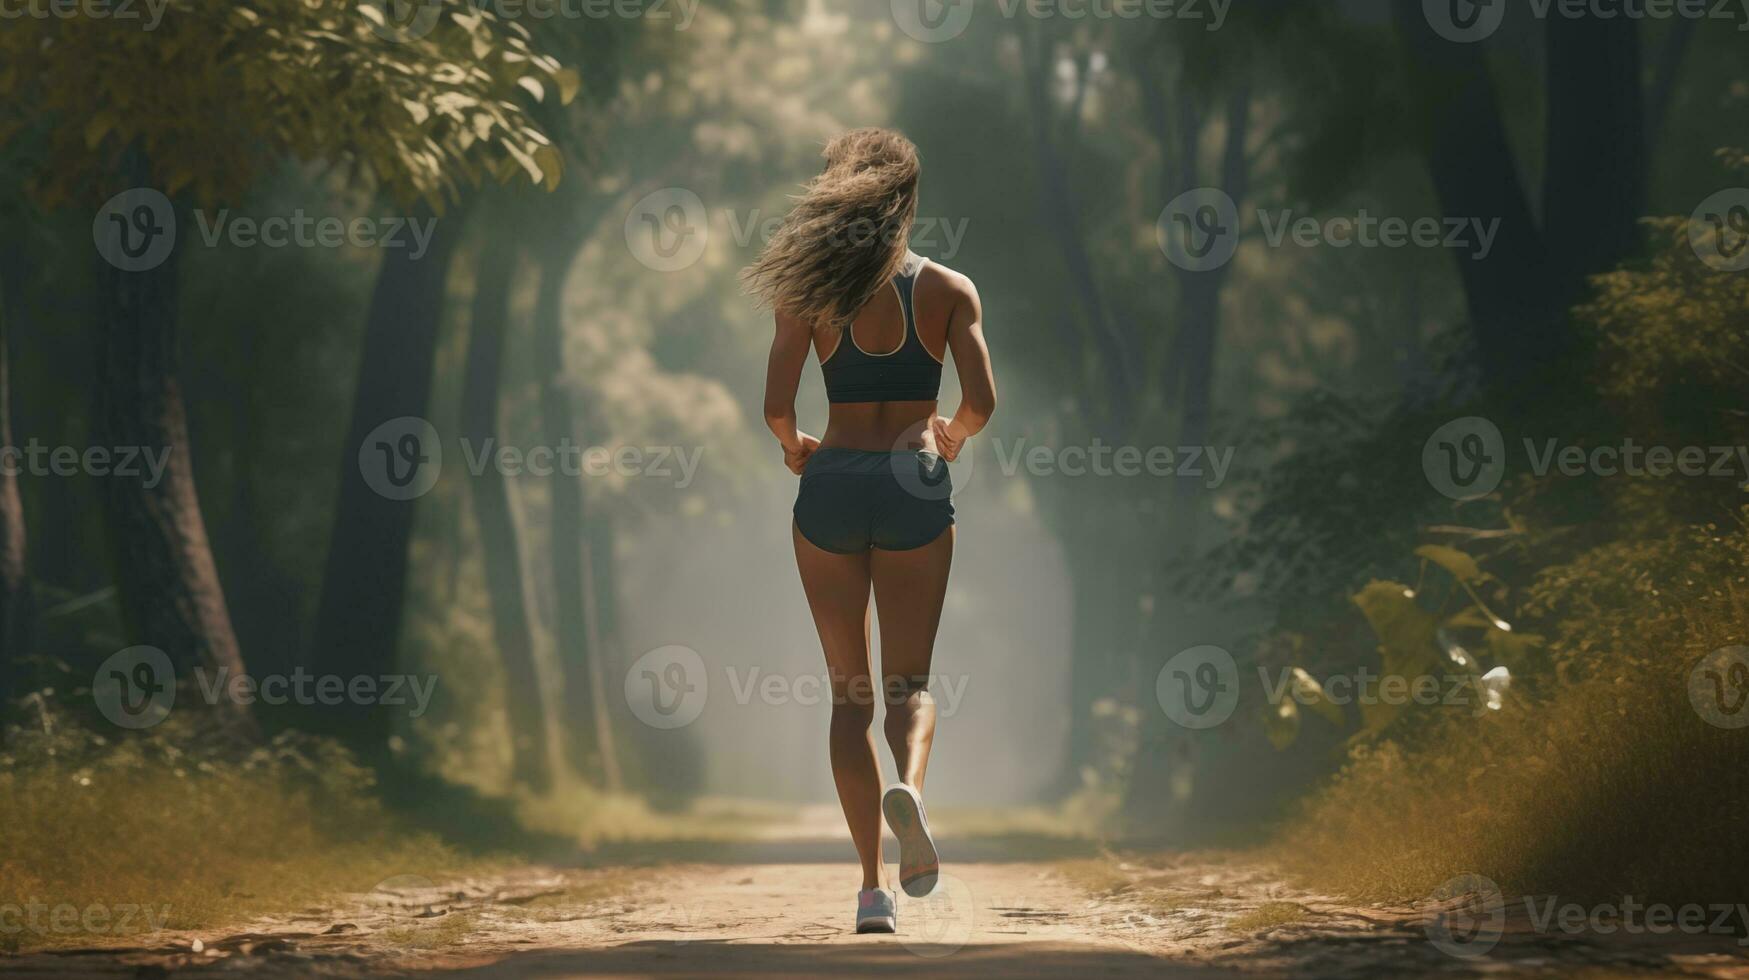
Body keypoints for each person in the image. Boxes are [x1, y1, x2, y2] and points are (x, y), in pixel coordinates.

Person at [747, 128, 996, 935]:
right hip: (911, 482)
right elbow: (981, 401)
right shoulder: (949, 289)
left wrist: (795, 450)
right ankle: (912, 793)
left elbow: (777, 408)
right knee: (909, 684)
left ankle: (868, 890)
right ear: (907, 201)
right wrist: (949, 437)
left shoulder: (810, 295)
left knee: (847, 695)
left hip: (831, 485)